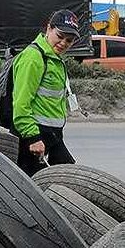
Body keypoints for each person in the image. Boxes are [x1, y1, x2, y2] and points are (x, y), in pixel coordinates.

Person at [13, 9, 81, 176]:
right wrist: (32, 138)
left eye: (69, 40)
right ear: (49, 29)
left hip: (53, 136)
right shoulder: (34, 58)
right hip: (34, 137)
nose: (64, 43)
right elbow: (21, 103)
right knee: (34, 189)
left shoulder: (55, 60)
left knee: (70, 179)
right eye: (60, 36)